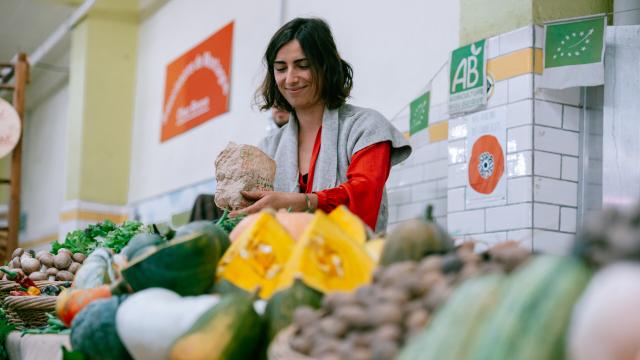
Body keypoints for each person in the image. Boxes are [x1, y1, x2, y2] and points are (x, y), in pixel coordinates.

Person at [231, 17, 411, 232]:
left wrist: (298, 202)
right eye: (280, 68)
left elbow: (363, 196)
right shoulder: (267, 149)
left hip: (355, 260)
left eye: (303, 65)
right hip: (284, 264)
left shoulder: (366, 127)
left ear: (326, 67)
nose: (290, 79)